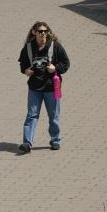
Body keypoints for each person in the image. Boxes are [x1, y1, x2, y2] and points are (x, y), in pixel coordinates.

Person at [17, 21, 69, 153]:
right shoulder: (28, 48)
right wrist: (25, 71)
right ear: (34, 33)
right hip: (34, 88)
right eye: (40, 31)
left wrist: (55, 68)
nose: (43, 34)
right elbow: (22, 64)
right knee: (31, 115)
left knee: (54, 115)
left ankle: (55, 140)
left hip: (52, 88)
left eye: (45, 31)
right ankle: (27, 143)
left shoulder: (55, 46)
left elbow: (66, 63)